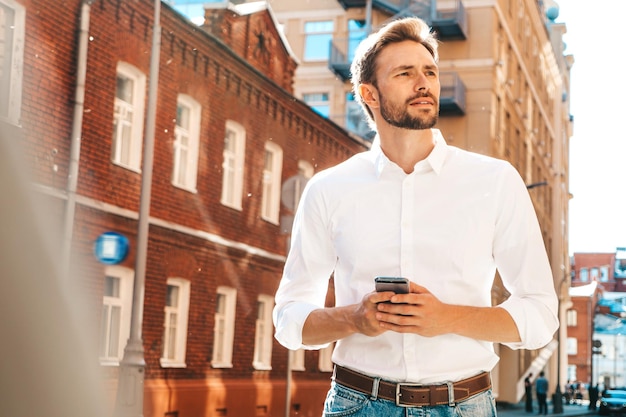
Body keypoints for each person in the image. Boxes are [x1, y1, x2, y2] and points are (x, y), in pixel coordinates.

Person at [272, 16, 559, 417]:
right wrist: (355, 319)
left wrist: (445, 317)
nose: (424, 83)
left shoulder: (495, 181)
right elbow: (288, 321)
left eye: (430, 72)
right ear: (369, 94)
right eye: (405, 73)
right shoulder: (328, 188)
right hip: (357, 404)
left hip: (465, 405)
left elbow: (541, 316)